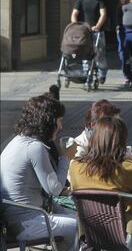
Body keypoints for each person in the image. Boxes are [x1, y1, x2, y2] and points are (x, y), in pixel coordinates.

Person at [69, 116, 132, 250]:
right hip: (126, 231)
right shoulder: (127, 167)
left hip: (90, 229)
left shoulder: (76, 167)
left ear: (94, 138)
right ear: (121, 141)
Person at [1, 95, 77, 250]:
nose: (61, 126)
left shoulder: (17, 140)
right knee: (82, 226)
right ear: (49, 122)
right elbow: (54, 189)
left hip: (15, 221)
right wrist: (66, 158)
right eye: (59, 121)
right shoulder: (35, 147)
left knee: (74, 216)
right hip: (28, 223)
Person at [71, 0, 108, 85]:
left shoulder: (100, 0)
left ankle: (102, 74)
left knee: (100, 54)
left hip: (97, 32)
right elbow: (74, 14)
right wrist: (76, 24)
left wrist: (97, 26)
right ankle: (88, 74)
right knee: (85, 54)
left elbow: (103, 14)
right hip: (85, 31)